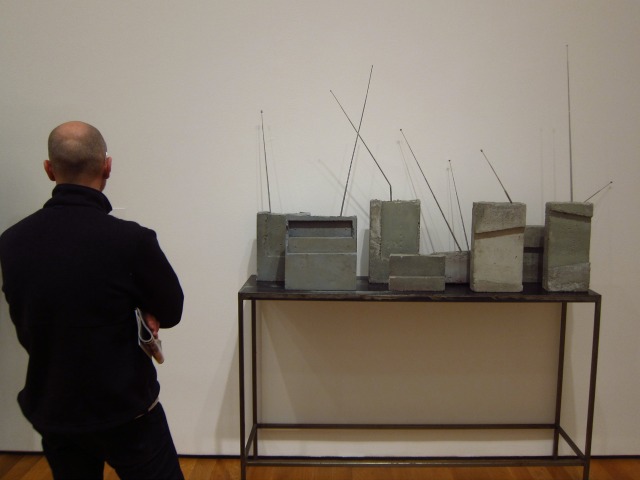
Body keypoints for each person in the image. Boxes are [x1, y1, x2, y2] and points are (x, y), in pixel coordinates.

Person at [0, 121, 185, 479]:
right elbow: (172, 310)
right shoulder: (132, 241)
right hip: (125, 409)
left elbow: (30, 314)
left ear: (49, 169)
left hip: (54, 409)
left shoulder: (11, 242)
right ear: (107, 166)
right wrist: (146, 310)